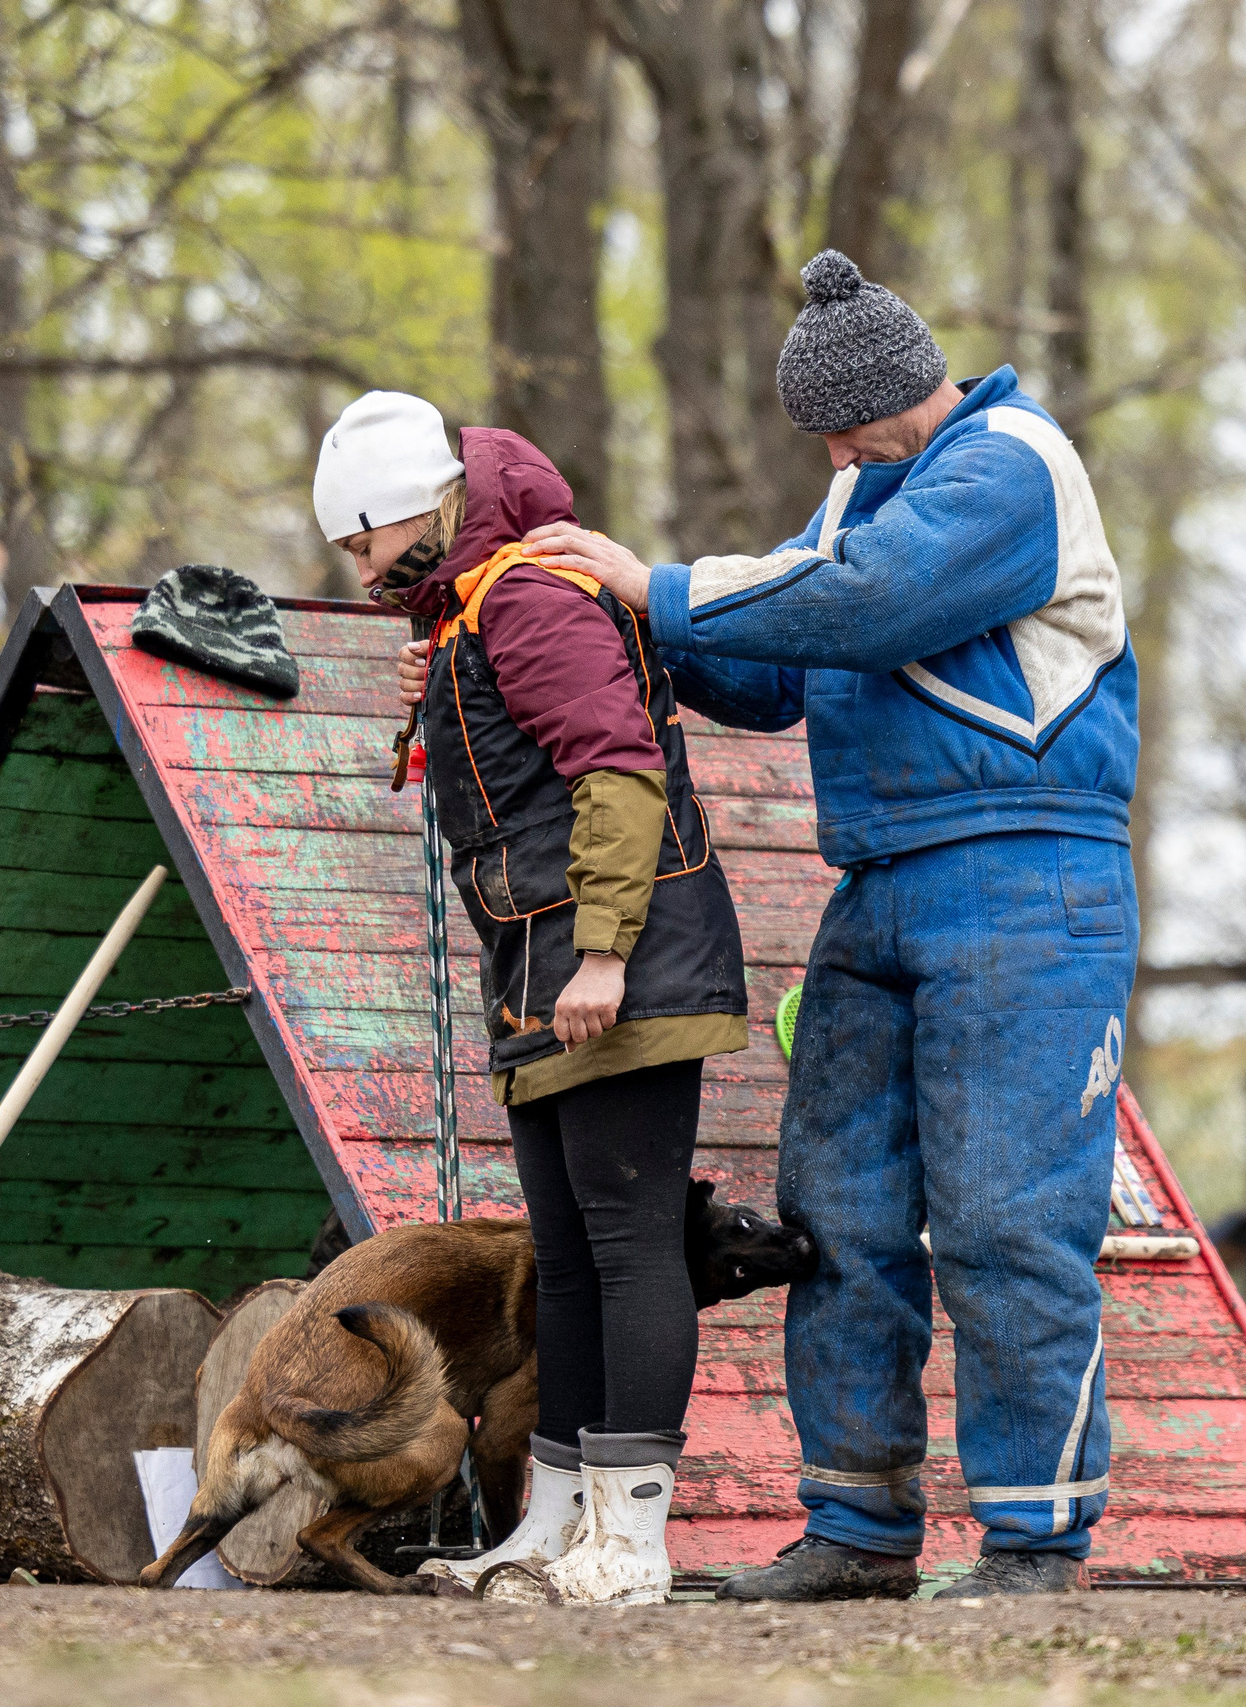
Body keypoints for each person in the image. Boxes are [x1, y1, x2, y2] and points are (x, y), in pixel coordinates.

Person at [519, 251, 1139, 1600]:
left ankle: (1037, 1537)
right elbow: (777, 666)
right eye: (828, 438)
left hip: (1032, 879)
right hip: (883, 877)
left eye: (848, 426)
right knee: (835, 1211)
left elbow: (867, 601)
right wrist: (615, 627)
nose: (838, 451)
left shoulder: (1010, 463)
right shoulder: (869, 483)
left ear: (913, 384)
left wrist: (658, 582)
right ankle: (856, 1525)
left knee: (1005, 1219)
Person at [317, 392, 749, 1606]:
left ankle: (633, 1538)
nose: (360, 570)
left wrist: (605, 955)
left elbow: (617, 774)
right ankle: (555, 1527)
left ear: (420, 509)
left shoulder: (527, 597)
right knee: (561, 1261)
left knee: (626, 1251)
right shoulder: (471, 612)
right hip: (539, 970)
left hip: (621, 966)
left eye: (364, 543)